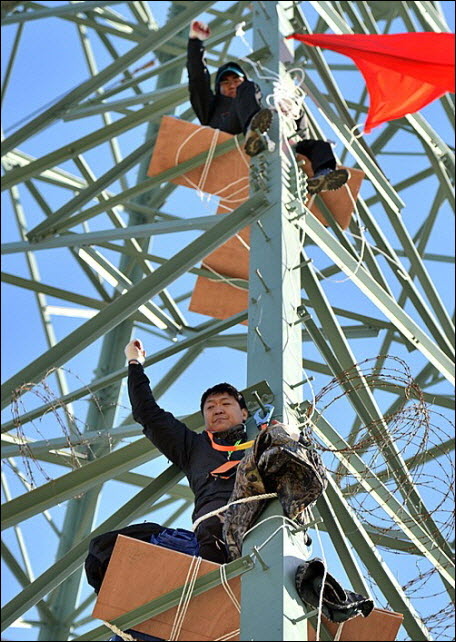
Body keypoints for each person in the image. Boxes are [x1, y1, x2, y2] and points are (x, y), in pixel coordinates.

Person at [187, 19, 349, 195]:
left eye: (236, 80)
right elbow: (197, 79)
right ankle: (252, 133)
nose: (232, 85)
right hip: (229, 130)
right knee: (249, 91)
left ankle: (323, 175)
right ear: (218, 89)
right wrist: (196, 41)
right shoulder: (211, 107)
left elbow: (301, 131)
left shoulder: (259, 101)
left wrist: (294, 111)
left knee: (319, 146)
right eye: (225, 83)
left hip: (271, 135)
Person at [125, 338, 251, 565]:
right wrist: (134, 362)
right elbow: (148, 414)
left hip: (259, 524)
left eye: (226, 404)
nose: (218, 410)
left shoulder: (262, 438)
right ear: (204, 418)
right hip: (212, 533)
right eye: (210, 407)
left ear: (244, 413)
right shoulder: (194, 446)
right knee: (108, 545)